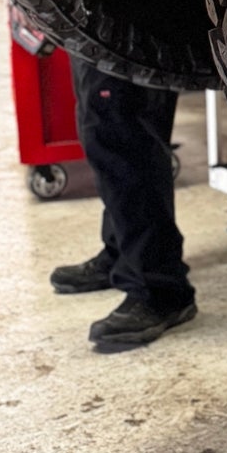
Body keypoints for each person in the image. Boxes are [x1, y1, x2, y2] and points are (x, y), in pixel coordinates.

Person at [50, 57, 197, 352]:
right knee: (109, 117)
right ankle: (124, 253)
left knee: (119, 126)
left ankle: (158, 286)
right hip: (106, 22)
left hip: (127, 22)